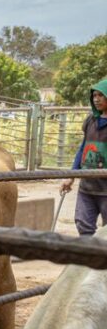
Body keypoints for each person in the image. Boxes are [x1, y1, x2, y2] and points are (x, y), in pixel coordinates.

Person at [60, 77, 107, 235]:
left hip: (106, 188)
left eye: (101, 95)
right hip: (87, 186)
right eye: (94, 96)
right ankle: (90, 259)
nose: (97, 99)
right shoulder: (91, 120)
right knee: (83, 225)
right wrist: (72, 175)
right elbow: (83, 148)